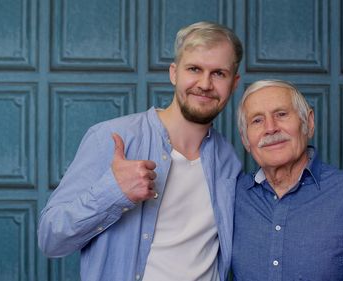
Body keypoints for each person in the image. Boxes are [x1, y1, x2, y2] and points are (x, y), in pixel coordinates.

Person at [38, 21, 243, 281]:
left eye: (219, 74)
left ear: (234, 83)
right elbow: (50, 239)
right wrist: (113, 191)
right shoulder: (111, 138)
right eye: (194, 69)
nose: (205, 84)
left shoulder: (229, 160)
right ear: (174, 73)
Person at [231, 79, 343, 281]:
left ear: (308, 123)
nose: (270, 128)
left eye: (281, 114)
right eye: (257, 120)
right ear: (245, 140)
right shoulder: (234, 196)